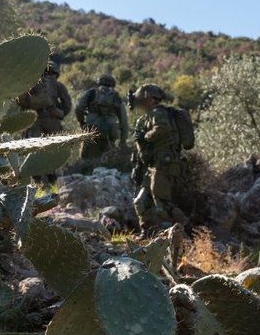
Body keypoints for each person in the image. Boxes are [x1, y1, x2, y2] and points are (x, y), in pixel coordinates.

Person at [130, 83, 187, 230]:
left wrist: (145, 136)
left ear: (150, 99)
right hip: (154, 166)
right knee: (140, 202)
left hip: (164, 164)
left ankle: (188, 230)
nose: (140, 104)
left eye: (142, 100)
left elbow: (161, 129)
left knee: (163, 205)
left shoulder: (158, 113)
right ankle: (147, 232)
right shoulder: (150, 115)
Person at [16, 60, 73, 138]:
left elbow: (21, 101)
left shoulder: (31, 84)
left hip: (34, 121)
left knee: (35, 147)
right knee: (55, 147)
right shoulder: (57, 85)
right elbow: (67, 105)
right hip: (52, 119)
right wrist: (59, 113)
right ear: (56, 73)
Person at [77, 74, 129, 158]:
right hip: (110, 131)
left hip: (92, 129)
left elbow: (79, 108)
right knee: (108, 158)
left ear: (98, 82)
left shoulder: (91, 93)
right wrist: (123, 141)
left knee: (87, 159)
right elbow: (123, 120)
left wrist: (82, 122)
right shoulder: (116, 96)